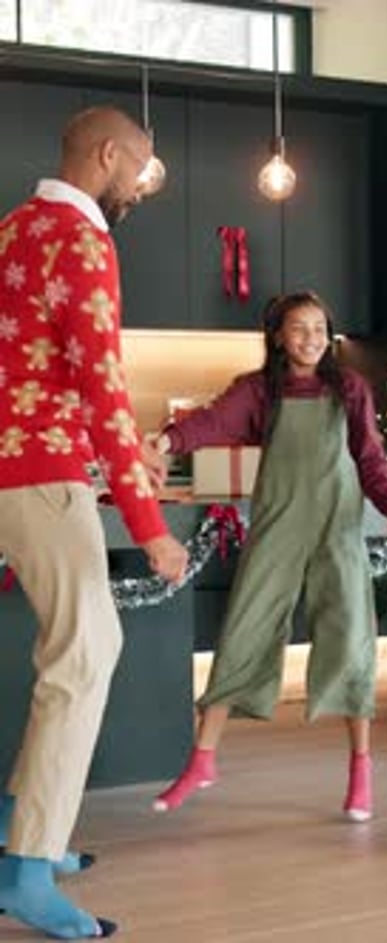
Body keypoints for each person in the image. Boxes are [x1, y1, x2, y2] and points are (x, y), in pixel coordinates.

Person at [0, 106, 187, 939]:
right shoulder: (82, 239)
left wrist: (110, 457)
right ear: (108, 155)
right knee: (85, 653)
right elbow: (106, 385)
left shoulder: (13, 228)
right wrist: (149, 524)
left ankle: (21, 828)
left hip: (16, 463)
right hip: (39, 474)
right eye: (138, 170)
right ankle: (26, 869)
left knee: (66, 650)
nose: (137, 188)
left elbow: (42, 363)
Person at [150, 290, 387, 821]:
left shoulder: (351, 389)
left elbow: (370, 460)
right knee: (244, 629)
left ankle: (361, 772)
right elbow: (213, 422)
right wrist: (167, 442)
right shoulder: (259, 391)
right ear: (278, 337)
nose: (311, 338)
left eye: (319, 328)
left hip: (338, 530)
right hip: (278, 527)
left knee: (350, 638)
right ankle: (203, 760)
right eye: (298, 328)